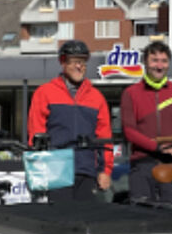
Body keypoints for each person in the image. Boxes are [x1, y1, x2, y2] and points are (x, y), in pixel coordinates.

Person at [26, 40, 113, 201]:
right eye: (74, 61)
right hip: (55, 170)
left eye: (83, 62)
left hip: (87, 171)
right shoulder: (44, 93)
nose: (79, 66)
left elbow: (104, 139)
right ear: (63, 62)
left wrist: (105, 171)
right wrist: (39, 168)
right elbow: (36, 134)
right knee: (60, 216)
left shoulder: (97, 98)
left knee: (85, 216)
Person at [121, 42, 172, 206]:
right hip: (142, 163)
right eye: (154, 60)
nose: (159, 66)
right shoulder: (130, 93)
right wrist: (158, 147)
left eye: (164, 61)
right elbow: (129, 131)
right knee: (143, 216)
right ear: (145, 63)